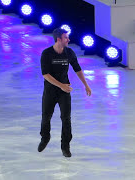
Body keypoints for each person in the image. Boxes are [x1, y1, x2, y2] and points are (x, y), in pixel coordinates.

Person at [38, 28, 92, 157]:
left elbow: (77, 69)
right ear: (59, 39)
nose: (68, 39)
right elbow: (45, 74)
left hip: (64, 91)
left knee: (66, 119)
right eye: (66, 37)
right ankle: (45, 137)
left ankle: (65, 146)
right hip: (50, 90)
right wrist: (61, 85)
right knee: (46, 116)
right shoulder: (46, 53)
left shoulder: (69, 52)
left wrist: (86, 85)